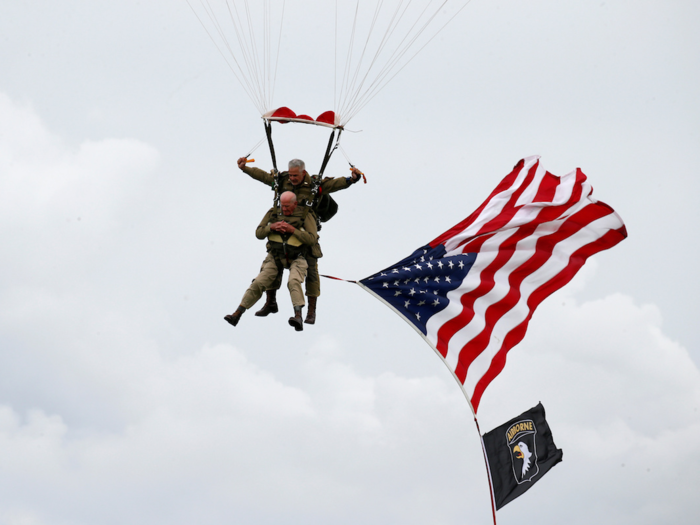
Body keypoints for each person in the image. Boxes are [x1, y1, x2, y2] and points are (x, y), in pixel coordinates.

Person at [237, 157, 362, 325]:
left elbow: (334, 184)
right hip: (281, 230)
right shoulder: (283, 181)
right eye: (290, 175)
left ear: (303, 173)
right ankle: (270, 303)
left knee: (311, 273)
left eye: (295, 176)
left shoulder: (314, 185)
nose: (292, 179)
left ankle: (311, 312)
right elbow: (265, 177)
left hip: (304, 231)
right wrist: (245, 168)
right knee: (272, 264)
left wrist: (352, 179)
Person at [224, 191, 318, 331]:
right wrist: (271, 227)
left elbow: (312, 239)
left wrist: (293, 230)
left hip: (298, 256)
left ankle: (298, 315)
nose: (284, 209)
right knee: (259, 282)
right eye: (283, 206)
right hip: (275, 255)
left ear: (295, 204)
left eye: (287, 206)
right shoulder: (273, 213)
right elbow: (259, 233)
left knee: (293, 281)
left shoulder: (305, 215)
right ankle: (238, 313)